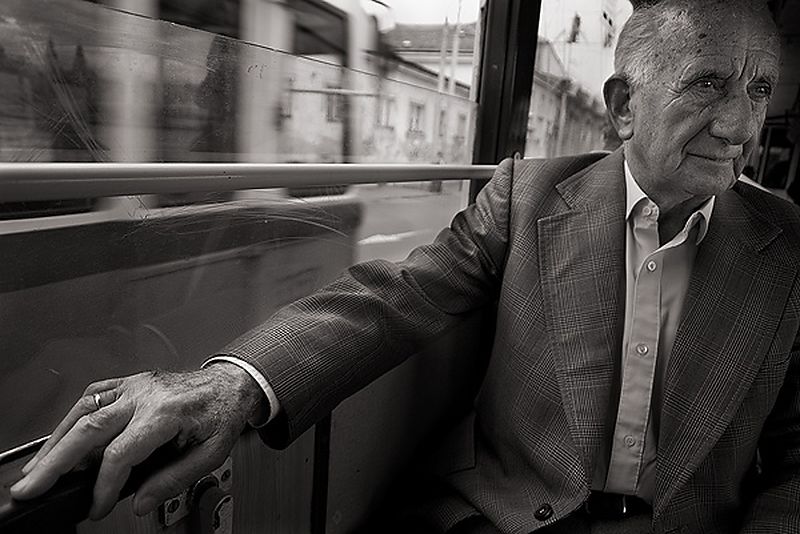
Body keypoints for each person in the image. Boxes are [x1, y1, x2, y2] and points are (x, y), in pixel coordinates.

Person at [11, 0, 800, 532]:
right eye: (708, 85)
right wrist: (232, 382)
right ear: (624, 106)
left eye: (760, 90)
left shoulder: (789, 248)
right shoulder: (529, 198)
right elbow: (394, 297)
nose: (740, 126)